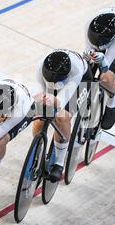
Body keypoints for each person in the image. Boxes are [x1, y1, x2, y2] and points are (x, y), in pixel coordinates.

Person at [34, 49, 92, 182]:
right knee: (39, 115)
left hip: (81, 81)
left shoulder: (76, 71)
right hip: (56, 81)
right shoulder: (40, 64)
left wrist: (52, 101)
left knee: (62, 117)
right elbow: (38, 90)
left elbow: (61, 101)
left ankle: (59, 162)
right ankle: (37, 150)